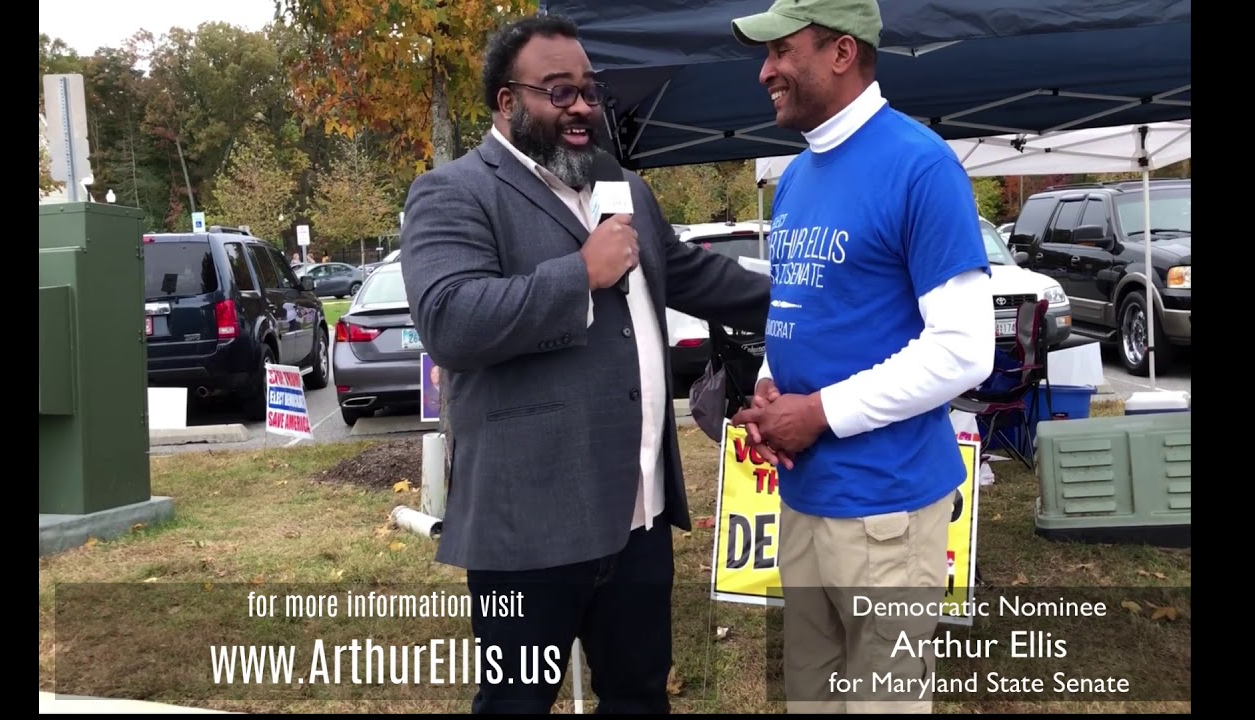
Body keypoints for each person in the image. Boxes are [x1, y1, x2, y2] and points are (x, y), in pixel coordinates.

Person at [398, 14, 770, 714]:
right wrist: (580, 273)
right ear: (507, 102)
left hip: (639, 513)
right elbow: (450, 319)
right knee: (516, 703)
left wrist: (808, 300)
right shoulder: (453, 191)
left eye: (589, 92)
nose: (581, 108)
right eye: (559, 92)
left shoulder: (619, 185)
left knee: (637, 694)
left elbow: (690, 274)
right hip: (529, 523)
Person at [727, 0, 996, 714]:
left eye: (783, 51)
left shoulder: (919, 165)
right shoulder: (798, 178)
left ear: (842, 53)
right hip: (805, 501)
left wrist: (817, 413)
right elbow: (805, 309)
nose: (766, 71)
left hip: (888, 512)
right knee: (811, 697)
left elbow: (966, 349)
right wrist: (767, 388)